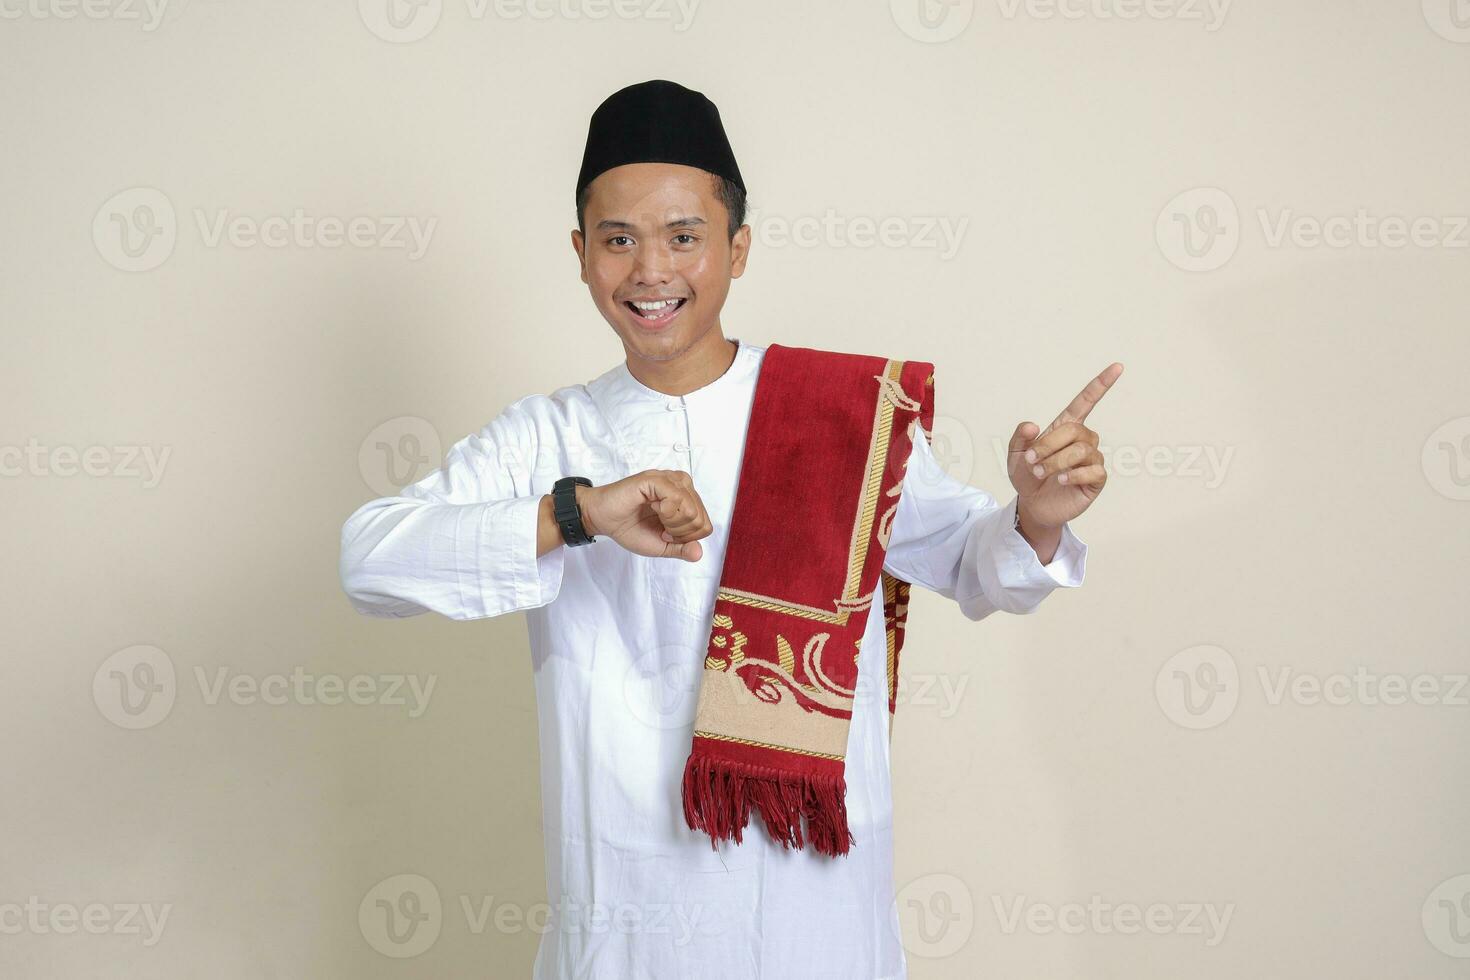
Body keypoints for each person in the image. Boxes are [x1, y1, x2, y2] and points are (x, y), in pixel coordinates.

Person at [339, 78, 1119, 980]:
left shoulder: (840, 422)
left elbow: (980, 567)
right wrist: (576, 511)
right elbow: (370, 561)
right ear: (581, 251)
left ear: (737, 248)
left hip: (814, 917)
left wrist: (1035, 515)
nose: (651, 271)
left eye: (683, 237)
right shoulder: (546, 437)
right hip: (623, 917)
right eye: (618, 240)